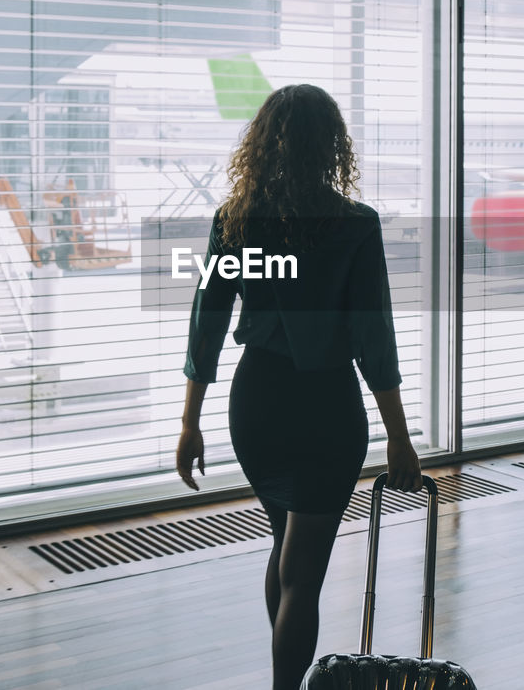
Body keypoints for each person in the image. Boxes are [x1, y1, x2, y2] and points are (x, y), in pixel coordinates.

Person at [175, 83, 424, 690]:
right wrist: (399, 437)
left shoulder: (235, 219)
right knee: (303, 572)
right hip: (324, 408)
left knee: (286, 548)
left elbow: (205, 325)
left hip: (256, 405)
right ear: (333, 147)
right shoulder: (354, 227)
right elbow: (375, 340)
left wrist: (189, 422)